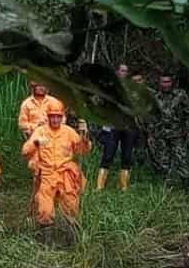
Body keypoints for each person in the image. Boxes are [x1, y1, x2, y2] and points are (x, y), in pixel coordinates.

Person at [21, 98, 92, 226]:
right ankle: (46, 239)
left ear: (62, 117)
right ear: (48, 117)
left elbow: (82, 151)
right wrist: (36, 143)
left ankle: (72, 237)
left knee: (71, 206)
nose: (55, 120)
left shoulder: (69, 132)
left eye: (58, 117)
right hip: (47, 175)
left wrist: (85, 136)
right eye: (52, 116)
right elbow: (25, 151)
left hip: (65, 174)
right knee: (45, 210)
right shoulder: (40, 131)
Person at [147, 73, 189, 190]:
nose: (166, 84)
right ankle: (166, 188)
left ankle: (188, 188)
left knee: (182, 159)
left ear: (172, 83)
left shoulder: (180, 95)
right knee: (163, 162)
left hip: (177, 134)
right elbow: (151, 116)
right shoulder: (155, 96)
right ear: (159, 83)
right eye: (163, 82)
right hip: (160, 135)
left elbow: (188, 113)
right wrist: (150, 134)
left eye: (168, 82)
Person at [96, 65, 140, 192]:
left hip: (128, 127)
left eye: (126, 71)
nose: (124, 73)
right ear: (117, 72)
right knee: (108, 154)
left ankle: (123, 187)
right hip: (113, 125)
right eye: (122, 70)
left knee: (127, 156)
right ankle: (99, 187)